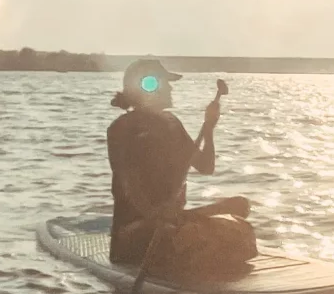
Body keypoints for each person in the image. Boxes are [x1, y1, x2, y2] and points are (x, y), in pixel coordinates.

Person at [106, 58, 256, 281]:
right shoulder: (122, 128)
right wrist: (154, 215)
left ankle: (192, 245)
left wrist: (209, 127)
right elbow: (129, 184)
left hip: (173, 221)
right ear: (147, 87)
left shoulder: (171, 124)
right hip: (135, 232)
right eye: (164, 83)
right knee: (191, 236)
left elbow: (205, 166)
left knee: (240, 216)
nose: (170, 88)